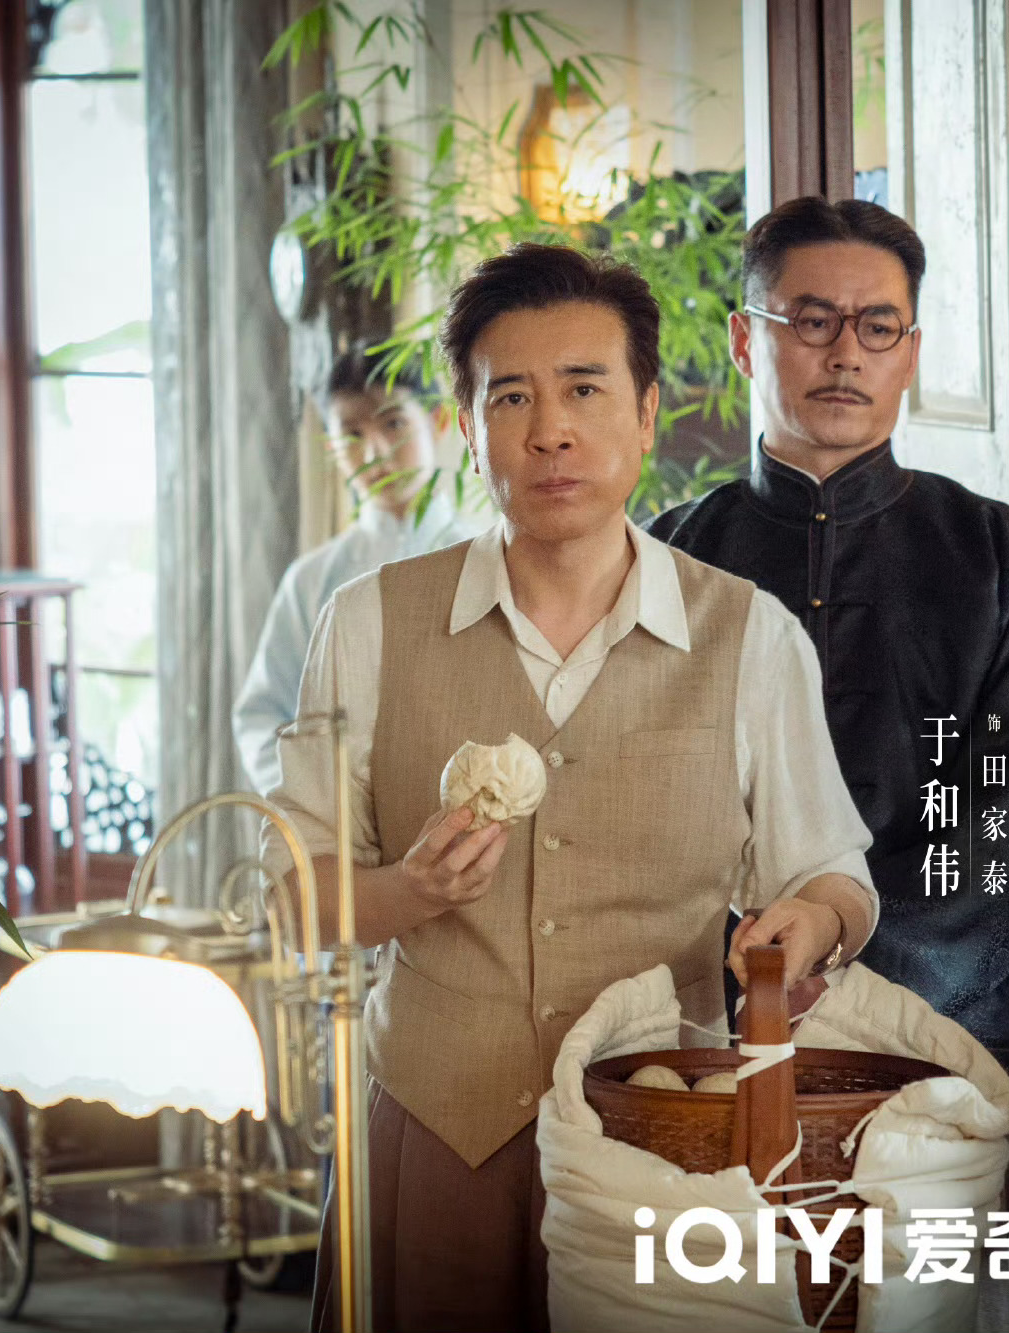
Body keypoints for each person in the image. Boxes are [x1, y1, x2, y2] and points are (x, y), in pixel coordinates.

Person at [270, 244, 878, 1332]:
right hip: (434, 1137)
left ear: (645, 415)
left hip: (664, 1140)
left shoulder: (750, 636)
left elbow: (833, 874)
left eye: (585, 390)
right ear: (468, 429)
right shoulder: (365, 624)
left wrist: (812, 925)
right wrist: (410, 891)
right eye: (511, 396)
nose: (550, 429)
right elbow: (292, 897)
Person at [649, 196, 1009, 1070]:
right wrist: (745, 981)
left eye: (878, 327)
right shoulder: (668, 558)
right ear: (744, 339)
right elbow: (639, 821)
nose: (846, 353)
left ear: (909, 353)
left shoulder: (998, 556)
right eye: (813, 321)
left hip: (939, 1034)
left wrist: (853, 984)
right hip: (703, 1025)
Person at [233, 349, 485, 794]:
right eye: (352, 434)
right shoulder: (311, 581)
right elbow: (263, 714)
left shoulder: (488, 558)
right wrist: (314, 805)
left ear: (439, 422)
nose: (374, 452)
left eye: (393, 423)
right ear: (332, 448)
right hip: (337, 821)